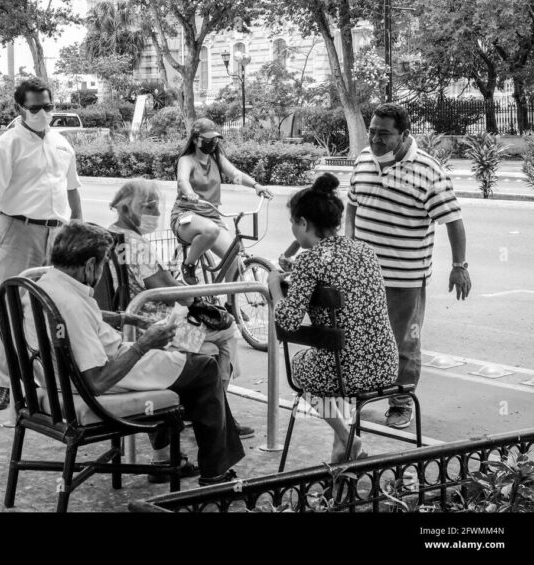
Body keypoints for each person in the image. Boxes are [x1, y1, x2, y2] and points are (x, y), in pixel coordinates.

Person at [23, 222, 244, 485]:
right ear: (91, 265)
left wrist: (121, 317)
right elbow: (97, 380)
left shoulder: (45, 285)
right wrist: (144, 344)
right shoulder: (72, 307)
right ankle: (215, 473)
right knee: (204, 368)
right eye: (104, 263)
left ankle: (166, 457)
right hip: (93, 381)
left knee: (179, 361)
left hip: (58, 379)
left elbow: (83, 318)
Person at [346, 103, 471, 429]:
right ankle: (363, 394)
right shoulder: (362, 161)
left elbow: (453, 220)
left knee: (404, 343)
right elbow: (351, 207)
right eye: (372, 131)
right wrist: (350, 247)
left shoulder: (429, 171)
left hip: (405, 278)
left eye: (384, 134)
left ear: (404, 135)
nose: (374, 139)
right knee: (363, 339)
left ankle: (400, 403)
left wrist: (460, 265)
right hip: (363, 277)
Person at [107, 179, 255, 440]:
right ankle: (217, 419)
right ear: (128, 209)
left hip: (125, 323)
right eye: (149, 207)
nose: (155, 213)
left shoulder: (110, 235)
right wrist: (192, 296)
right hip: (155, 327)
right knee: (226, 331)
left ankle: (209, 413)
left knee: (211, 349)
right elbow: (167, 291)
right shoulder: (136, 245)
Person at [0, 77, 83, 411]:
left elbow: (72, 187)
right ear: (19, 108)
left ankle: (53, 377)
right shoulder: (7, 145)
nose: (43, 113)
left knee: (56, 305)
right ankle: (4, 382)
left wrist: (78, 227)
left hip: (58, 232)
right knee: (9, 305)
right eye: (35, 108)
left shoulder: (62, 143)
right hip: (18, 230)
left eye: (48, 106)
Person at [271, 173, 398, 463]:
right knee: (331, 362)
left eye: (293, 222)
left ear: (303, 223)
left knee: (306, 371)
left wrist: (273, 286)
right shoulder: (365, 250)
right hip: (385, 364)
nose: (292, 229)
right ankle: (342, 448)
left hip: (345, 371)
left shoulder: (310, 260)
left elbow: (288, 321)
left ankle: (347, 437)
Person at [170, 118, 273, 286]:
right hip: (186, 215)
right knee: (210, 230)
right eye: (208, 140)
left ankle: (227, 305)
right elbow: (183, 180)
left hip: (212, 216)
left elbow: (235, 175)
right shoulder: (187, 160)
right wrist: (189, 193)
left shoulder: (217, 158)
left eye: (215, 139)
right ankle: (188, 264)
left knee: (233, 258)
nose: (212, 143)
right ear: (196, 140)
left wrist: (256, 185)